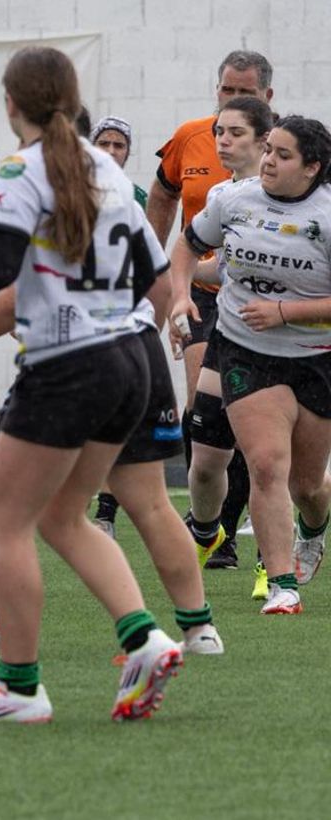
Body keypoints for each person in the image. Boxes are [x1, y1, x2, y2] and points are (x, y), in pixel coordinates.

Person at [0, 46, 180, 723]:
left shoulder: (23, 168)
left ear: (10, 103)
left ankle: (19, 688)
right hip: (129, 360)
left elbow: (2, 264)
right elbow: (153, 276)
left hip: (66, 367)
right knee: (61, 516)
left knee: (6, 524)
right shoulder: (106, 168)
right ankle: (146, 639)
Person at [0, 284, 222, 658]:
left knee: (33, 507)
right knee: (146, 503)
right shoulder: (125, 242)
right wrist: (136, 328)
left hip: (70, 355)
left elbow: (15, 294)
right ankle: (198, 630)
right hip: (136, 348)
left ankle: (17, 649)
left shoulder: (51, 243)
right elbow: (159, 283)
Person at [169, 116, 331, 615]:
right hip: (245, 349)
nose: (268, 161)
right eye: (269, 151)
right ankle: (283, 586)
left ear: (312, 168)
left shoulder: (327, 216)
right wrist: (179, 296)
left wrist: (285, 312)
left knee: (307, 486)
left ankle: (313, 528)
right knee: (265, 465)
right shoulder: (233, 199)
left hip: (317, 358)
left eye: (283, 155)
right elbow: (188, 245)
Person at [148, 50, 274, 571]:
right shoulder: (191, 138)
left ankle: (232, 531)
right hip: (203, 288)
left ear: (267, 98)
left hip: (265, 300)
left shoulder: (287, 150)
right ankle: (209, 525)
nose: (232, 101)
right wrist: (162, 277)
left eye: (244, 93)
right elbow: (163, 198)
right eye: (226, 90)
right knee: (206, 412)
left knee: (258, 432)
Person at [176, 96, 273, 597]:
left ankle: (273, 564)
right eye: (219, 132)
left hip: (287, 346)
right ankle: (206, 531)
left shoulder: (298, 198)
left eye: (235, 132)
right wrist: (175, 289)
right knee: (206, 459)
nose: (223, 141)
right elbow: (214, 263)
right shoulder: (222, 195)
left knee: (268, 461)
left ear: (264, 140)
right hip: (230, 336)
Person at [83, 113, 145, 537]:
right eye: (103, 143)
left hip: (121, 319)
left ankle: (105, 513)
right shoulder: (71, 191)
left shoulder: (137, 196)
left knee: (115, 418)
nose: (110, 151)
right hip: (76, 318)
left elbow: (150, 260)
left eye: (118, 145)